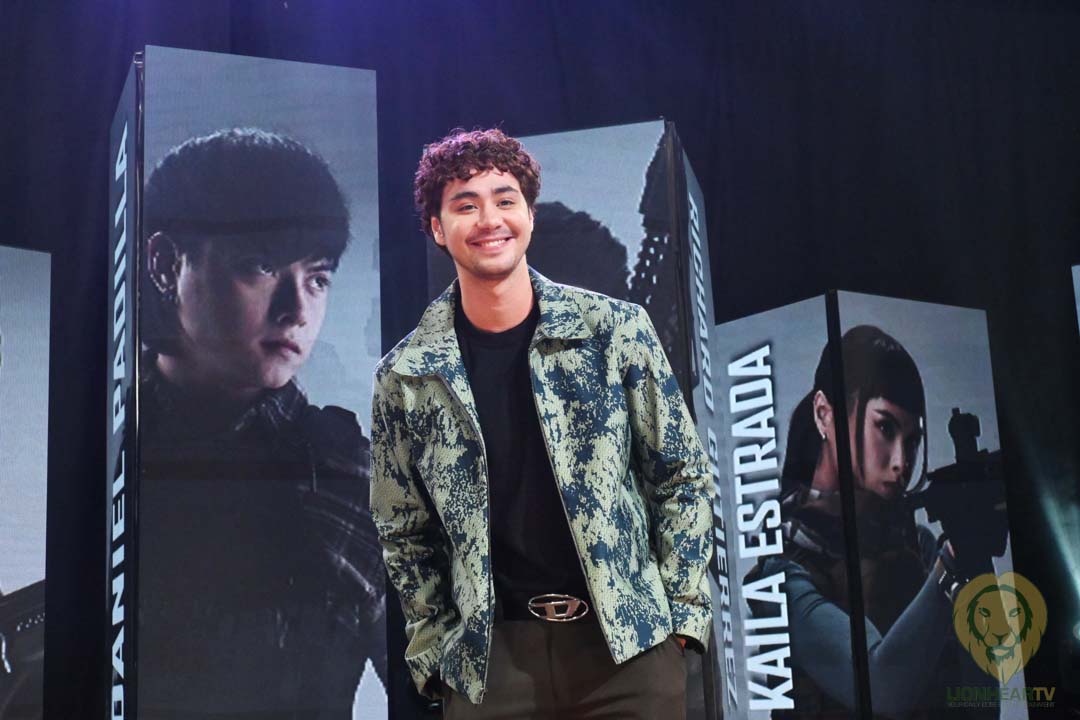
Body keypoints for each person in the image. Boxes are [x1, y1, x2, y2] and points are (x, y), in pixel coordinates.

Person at [370, 128, 714, 719]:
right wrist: (435, 656)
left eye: (505, 200)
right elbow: (403, 529)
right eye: (465, 205)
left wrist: (679, 620)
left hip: (628, 651)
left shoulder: (615, 330)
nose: (489, 220)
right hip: (491, 667)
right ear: (436, 228)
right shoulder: (406, 375)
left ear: (529, 215)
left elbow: (681, 475)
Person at [137, 128, 385, 718]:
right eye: (261, 266)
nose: (296, 311)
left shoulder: (350, 476)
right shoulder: (96, 445)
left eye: (317, 278)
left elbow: (440, 690)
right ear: (167, 264)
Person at [747, 325, 994, 719]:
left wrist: (976, 563)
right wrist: (954, 561)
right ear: (824, 414)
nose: (901, 462)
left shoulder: (918, 546)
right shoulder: (784, 571)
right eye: (885, 428)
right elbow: (880, 688)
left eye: (912, 440)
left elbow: (982, 704)